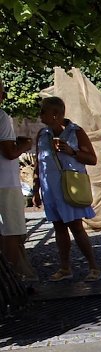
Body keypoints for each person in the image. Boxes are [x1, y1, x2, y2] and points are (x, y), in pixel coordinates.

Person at [34, 96, 101, 282]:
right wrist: (36, 188)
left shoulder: (76, 132)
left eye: (43, 111)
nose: (40, 115)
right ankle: (65, 268)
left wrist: (72, 152)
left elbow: (92, 159)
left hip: (70, 187)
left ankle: (93, 267)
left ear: (55, 114)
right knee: (59, 227)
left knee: (76, 227)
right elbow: (39, 163)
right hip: (50, 188)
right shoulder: (42, 134)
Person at [0, 78, 37, 281]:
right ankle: (14, 279)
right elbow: (9, 153)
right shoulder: (2, 116)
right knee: (11, 232)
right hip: (5, 183)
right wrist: (24, 146)